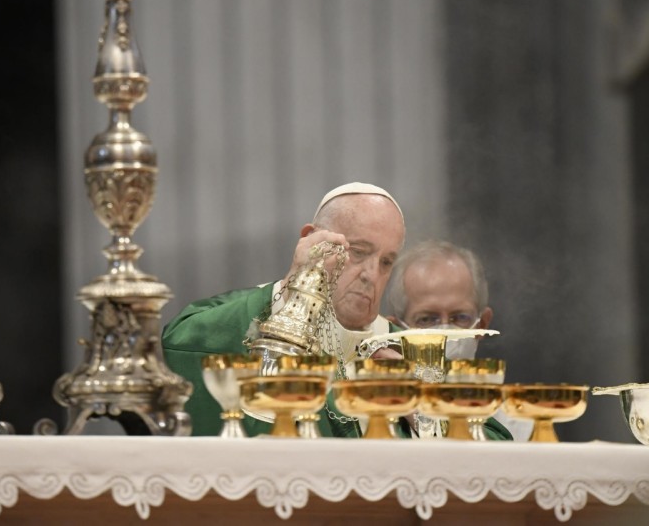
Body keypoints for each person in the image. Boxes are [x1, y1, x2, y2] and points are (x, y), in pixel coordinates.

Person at [162, 184, 510, 440]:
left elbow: (494, 445)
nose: (371, 275)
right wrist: (295, 290)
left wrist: (421, 409)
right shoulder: (246, 316)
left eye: (386, 262)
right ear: (309, 240)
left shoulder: (405, 352)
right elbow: (179, 346)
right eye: (358, 252)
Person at [384, 240, 527, 440]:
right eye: (427, 319)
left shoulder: (517, 422)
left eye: (460, 317)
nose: (445, 332)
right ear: (396, 330)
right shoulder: (374, 416)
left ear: (482, 325)